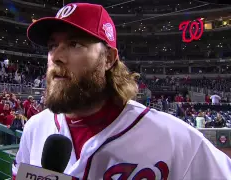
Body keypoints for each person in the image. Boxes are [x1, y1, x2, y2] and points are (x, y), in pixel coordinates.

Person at [14, 3, 231, 179]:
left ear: (108, 59)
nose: (56, 56)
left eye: (75, 44)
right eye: (52, 45)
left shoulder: (177, 140)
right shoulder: (34, 128)